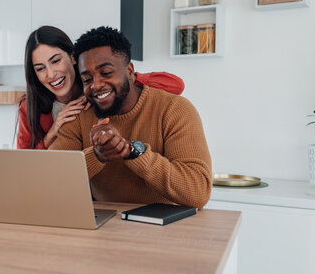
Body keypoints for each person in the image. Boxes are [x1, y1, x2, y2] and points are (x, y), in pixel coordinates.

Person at [49, 26, 212, 209]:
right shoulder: (80, 115)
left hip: (166, 228)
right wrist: (97, 156)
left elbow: (198, 192)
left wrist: (132, 151)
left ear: (130, 71)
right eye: (87, 79)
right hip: (105, 227)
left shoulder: (175, 109)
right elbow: (49, 180)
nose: (95, 85)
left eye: (106, 73)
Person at [17, 25, 185, 149]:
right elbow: (23, 165)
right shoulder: (30, 106)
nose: (51, 74)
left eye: (55, 61)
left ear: (72, 57)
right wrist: (53, 131)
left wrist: (122, 78)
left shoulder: (97, 92)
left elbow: (176, 85)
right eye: (40, 68)